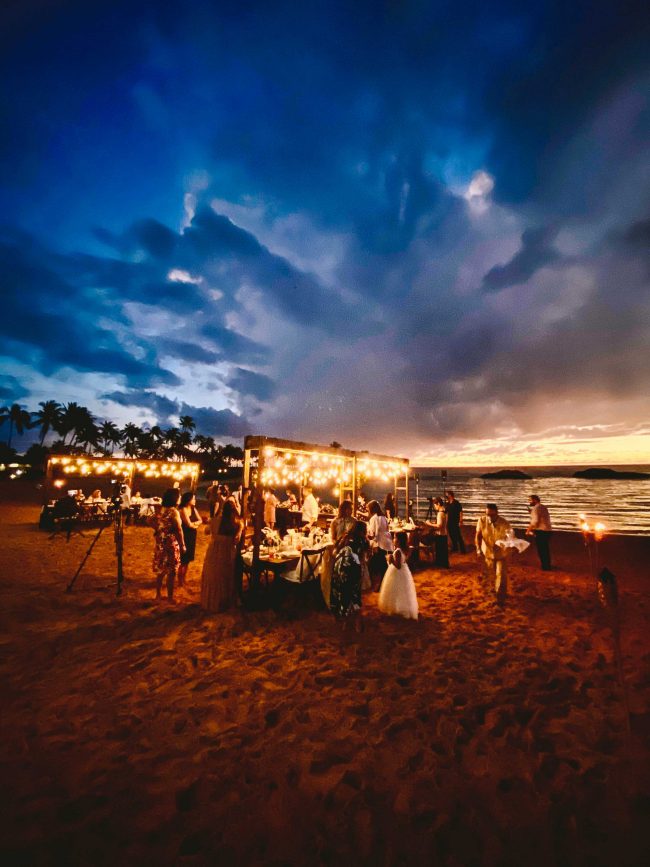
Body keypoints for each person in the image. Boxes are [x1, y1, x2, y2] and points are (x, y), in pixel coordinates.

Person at [201, 500, 243, 612]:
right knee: (225, 577)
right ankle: (225, 602)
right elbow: (236, 541)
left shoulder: (215, 521)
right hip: (227, 551)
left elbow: (206, 531)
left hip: (214, 550)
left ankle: (212, 602)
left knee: (213, 576)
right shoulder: (236, 524)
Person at [330, 520, 368, 630]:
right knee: (355, 594)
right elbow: (363, 558)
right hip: (353, 568)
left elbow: (334, 552)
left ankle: (345, 622)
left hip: (340, 568)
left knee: (343, 593)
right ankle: (357, 622)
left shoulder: (344, 537)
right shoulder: (363, 540)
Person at [151, 488, 186, 602]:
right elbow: (179, 529)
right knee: (171, 571)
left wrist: (158, 529)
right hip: (170, 542)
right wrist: (183, 545)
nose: (180, 498)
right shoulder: (173, 511)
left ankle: (158, 595)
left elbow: (150, 520)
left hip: (160, 542)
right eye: (179, 496)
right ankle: (170, 597)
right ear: (174, 498)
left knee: (161, 570)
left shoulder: (160, 510)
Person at [475, 503, 512, 603]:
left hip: (501, 554)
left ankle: (500, 597)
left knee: (501, 574)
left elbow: (510, 538)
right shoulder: (482, 521)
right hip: (488, 553)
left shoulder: (504, 523)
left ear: (497, 513)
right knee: (491, 575)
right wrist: (478, 549)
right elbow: (478, 536)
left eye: (492, 515)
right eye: (488, 514)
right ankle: (494, 592)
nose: (489, 517)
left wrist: (504, 543)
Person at [378, 531, 418, 620]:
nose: (393, 540)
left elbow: (398, 566)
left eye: (395, 538)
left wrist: (390, 559)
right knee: (402, 591)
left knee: (396, 590)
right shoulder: (403, 549)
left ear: (399, 541)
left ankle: (397, 608)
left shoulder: (398, 551)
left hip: (397, 573)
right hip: (404, 572)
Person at [366, 500, 394, 588]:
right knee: (382, 565)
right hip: (386, 542)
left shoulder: (374, 518)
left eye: (368, 509)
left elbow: (373, 534)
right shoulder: (383, 517)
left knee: (373, 566)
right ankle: (382, 584)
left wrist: (368, 537)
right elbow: (386, 529)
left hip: (379, 544)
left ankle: (379, 584)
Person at [178, 492, 203, 586]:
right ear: (188, 500)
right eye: (193, 498)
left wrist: (195, 524)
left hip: (192, 535)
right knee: (183, 559)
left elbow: (200, 520)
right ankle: (180, 580)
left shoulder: (193, 508)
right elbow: (188, 524)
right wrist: (195, 524)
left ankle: (183, 578)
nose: (195, 500)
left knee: (188, 559)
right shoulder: (183, 510)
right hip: (185, 535)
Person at [526, 494, 553, 570]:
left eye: (530, 500)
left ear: (535, 500)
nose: (529, 502)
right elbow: (541, 517)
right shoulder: (543, 507)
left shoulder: (535, 508)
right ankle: (547, 565)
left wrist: (528, 530)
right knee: (545, 549)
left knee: (541, 550)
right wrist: (532, 513)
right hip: (548, 530)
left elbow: (535, 521)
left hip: (541, 531)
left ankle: (545, 567)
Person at [432, 497, 449, 567]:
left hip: (440, 534)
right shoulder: (445, 511)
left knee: (439, 550)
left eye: (435, 505)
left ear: (438, 504)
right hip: (444, 533)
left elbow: (439, 526)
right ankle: (444, 564)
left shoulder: (440, 513)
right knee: (444, 551)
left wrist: (429, 524)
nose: (435, 507)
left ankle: (440, 564)